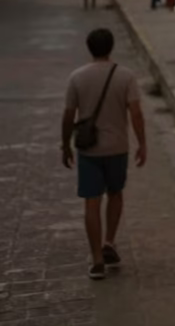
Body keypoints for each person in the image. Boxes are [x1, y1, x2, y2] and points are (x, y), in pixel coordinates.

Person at [61, 27, 146, 280]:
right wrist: (142, 143)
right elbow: (136, 113)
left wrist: (64, 145)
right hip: (117, 147)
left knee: (91, 201)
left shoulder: (76, 77)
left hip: (89, 150)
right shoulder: (126, 76)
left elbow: (68, 115)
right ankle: (109, 241)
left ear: (89, 48)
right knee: (116, 193)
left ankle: (97, 258)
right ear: (111, 47)